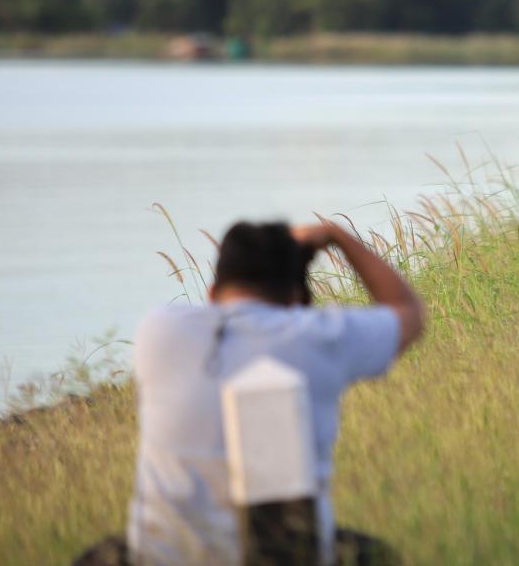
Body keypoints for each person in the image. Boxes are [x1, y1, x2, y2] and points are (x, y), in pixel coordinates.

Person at [124, 220, 425, 565]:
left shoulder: (159, 330)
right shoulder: (319, 336)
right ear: (296, 298)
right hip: (292, 554)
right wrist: (336, 235)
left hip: (162, 558)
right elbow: (409, 312)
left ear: (212, 292)